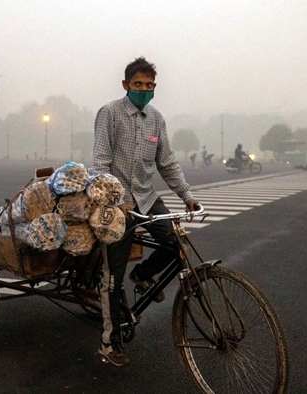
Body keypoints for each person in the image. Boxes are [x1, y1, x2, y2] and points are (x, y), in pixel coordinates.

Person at [93, 57, 199, 367]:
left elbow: (167, 163)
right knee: (112, 275)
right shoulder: (109, 113)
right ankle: (108, 343)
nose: (144, 90)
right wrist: (118, 200)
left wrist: (187, 196)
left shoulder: (156, 119)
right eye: (138, 85)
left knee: (176, 245)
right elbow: (100, 163)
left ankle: (143, 275)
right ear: (125, 85)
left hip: (147, 197)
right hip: (116, 203)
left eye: (149, 85)